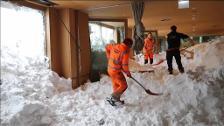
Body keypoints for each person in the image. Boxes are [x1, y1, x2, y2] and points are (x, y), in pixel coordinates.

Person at [105, 38, 133, 105]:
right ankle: (113, 97)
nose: (130, 48)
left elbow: (106, 47)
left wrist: (109, 58)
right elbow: (124, 65)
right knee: (124, 85)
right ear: (128, 45)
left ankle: (116, 100)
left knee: (116, 85)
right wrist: (128, 73)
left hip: (110, 70)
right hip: (116, 71)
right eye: (131, 46)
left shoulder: (115, 46)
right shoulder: (125, 51)